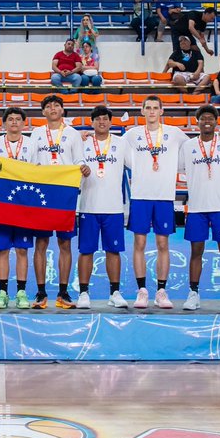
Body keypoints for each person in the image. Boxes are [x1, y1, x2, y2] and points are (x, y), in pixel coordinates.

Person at [123, 95, 187, 309]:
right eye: (147, 108)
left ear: (161, 111)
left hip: (164, 196)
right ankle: (142, 291)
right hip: (140, 196)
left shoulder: (174, 133)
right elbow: (117, 151)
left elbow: (193, 150)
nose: (151, 111)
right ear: (142, 111)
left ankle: (161, 291)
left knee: (162, 244)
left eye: (155, 108)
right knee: (139, 243)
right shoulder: (132, 135)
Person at [180, 105, 220, 311]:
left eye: (211, 118)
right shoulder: (188, 146)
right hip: (197, 207)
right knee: (196, 251)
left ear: (216, 122)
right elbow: (178, 168)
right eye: (203, 118)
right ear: (197, 122)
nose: (207, 121)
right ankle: (193, 293)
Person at [30, 95, 89, 310]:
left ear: (62, 110)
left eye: (56, 105)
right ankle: (40, 292)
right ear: (43, 112)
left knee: (65, 244)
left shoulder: (72, 134)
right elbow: (30, 162)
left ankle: (63, 292)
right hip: (43, 194)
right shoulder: (36, 134)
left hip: (66, 194)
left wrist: (84, 167)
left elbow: (79, 159)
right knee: (41, 244)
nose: (52, 108)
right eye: (48, 106)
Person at [75, 106, 124, 309]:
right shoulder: (82, 143)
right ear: (92, 123)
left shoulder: (122, 144)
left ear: (111, 122)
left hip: (113, 207)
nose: (102, 122)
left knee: (113, 251)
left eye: (105, 119)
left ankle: (114, 292)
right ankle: (84, 293)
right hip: (88, 205)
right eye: (98, 119)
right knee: (86, 251)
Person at [0, 107, 35, 309]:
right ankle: (3, 292)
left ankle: (22, 293)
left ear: (24, 123)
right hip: (2, 205)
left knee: (22, 250)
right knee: (3, 250)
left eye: (18, 119)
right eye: (10, 119)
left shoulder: (32, 144)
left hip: (24, 205)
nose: (14, 122)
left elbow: (37, 172)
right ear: (4, 123)